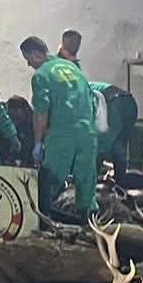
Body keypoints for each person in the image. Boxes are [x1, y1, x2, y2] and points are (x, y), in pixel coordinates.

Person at [20, 34, 99, 217]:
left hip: (62, 134)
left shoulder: (41, 75)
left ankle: (42, 221)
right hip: (88, 132)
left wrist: (38, 143)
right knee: (86, 180)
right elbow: (92, 99)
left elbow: (41, 113)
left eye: (28, 58)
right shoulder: (72, 67)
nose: (28, 64)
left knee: (50, 180)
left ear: (36, 53)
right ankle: (87, 221)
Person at [90, 79, 138, 175]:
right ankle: (121, 178)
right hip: (130, 102)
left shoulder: (78, 90)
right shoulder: (84, 85)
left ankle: (92, 177)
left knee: (103, 143)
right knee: (119, 144)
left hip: (115, 101)